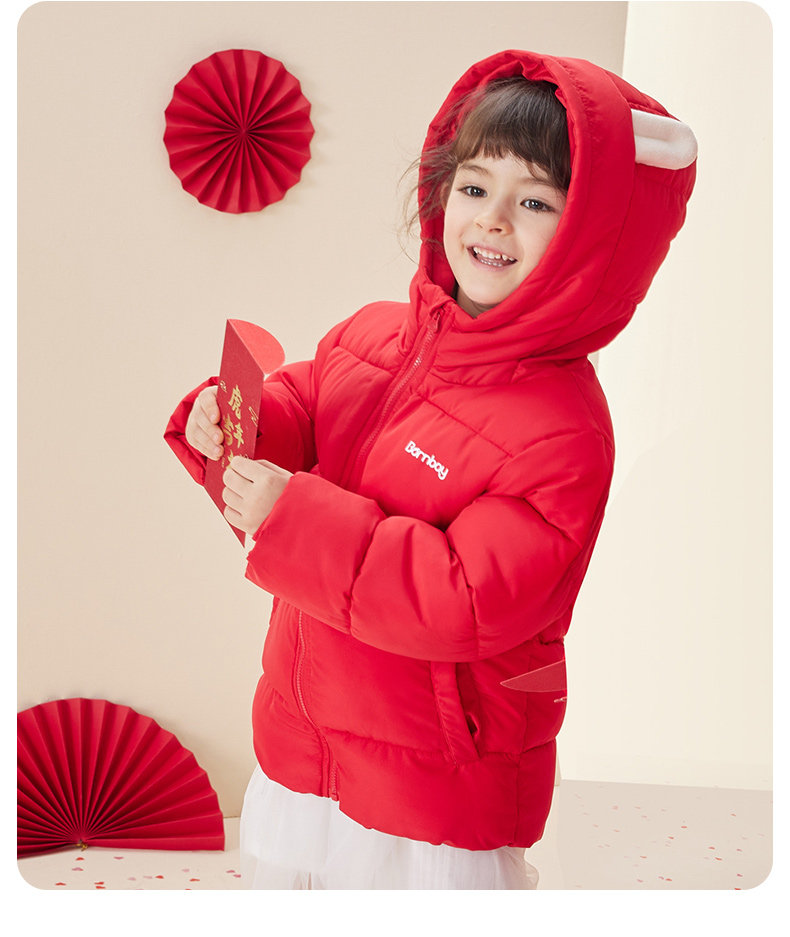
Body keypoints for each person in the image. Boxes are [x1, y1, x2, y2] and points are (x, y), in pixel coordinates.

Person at [165, 49, 697, 889]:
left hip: (434, 790)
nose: (492, 221)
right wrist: (236, 425)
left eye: (534, 202)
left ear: (594, 239)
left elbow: (463, 596)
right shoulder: (375, 334)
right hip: (305, 740)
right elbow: (312, 411)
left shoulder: (560, 431)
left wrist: (292, 517)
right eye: (475, 187)